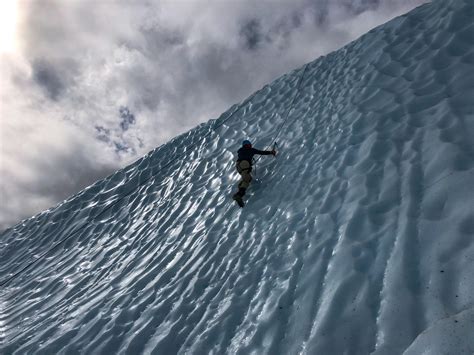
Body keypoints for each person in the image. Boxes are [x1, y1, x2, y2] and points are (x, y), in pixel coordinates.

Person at [233, 139, 276, 207]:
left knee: (246, 178)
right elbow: (261, 152)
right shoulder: (251, 150)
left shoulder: (241, 150)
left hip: (238, 166)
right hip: (245, 163)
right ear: (249, 145)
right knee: (247, 179)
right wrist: (271, 152)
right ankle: (239, 194)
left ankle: (239, 194)